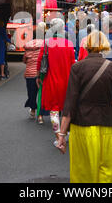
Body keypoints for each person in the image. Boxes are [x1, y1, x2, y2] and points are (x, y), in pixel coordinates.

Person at [56, 31, 112, 183]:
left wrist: (62, 135)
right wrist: (108, 102)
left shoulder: (77, 67)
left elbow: (70, 103)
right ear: (104, 46)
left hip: (81, 125)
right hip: (106, 124)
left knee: (83, 171)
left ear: (86, 46)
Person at [36, 18, 75, 147]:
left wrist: (38, 76)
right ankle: (65, 133)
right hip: (67, 81)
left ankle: (58, 136)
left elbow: (40, 62)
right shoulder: (68, 44)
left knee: (53, 111)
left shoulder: (46, 44)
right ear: (63, 28)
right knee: (66, 108)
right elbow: (72, 64)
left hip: (51, 81)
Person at [23, 22, 49, 122]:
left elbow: (24, 60)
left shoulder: (28, 47)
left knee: (31, 93)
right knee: (42, 94)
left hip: (29, 74)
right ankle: (40, 115)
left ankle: (33, 111)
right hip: (41, 74)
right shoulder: (45, 46)